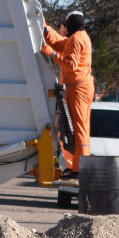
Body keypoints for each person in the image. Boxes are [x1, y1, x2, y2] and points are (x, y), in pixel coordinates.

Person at [42, 11, 93, 178]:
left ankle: (79, 169)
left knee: (78, 128)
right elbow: (60, 42)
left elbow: (70, 64)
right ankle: (76, 167)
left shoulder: (77, 38)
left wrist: (51, 54)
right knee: (76, 128)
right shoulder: (78, 37)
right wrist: (45, 30)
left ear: (72, 24)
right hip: (78, 87)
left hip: (78, 88)